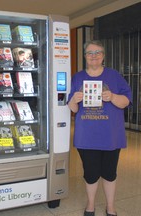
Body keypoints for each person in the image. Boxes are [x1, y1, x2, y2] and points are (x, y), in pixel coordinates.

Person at [68, 40, 132, 216]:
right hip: (86, 136)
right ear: (85, 56)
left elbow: (126, 101)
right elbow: (73, 109)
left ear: (103, 56)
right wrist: (74, 99)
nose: (94, 56)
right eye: (90, 53)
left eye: (97, 52)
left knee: (110, 173)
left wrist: (112, 97)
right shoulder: (78, 77)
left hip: (111, 136)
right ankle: (90, 205)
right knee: (90, 173)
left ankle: (110, 206)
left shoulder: (114, 76)